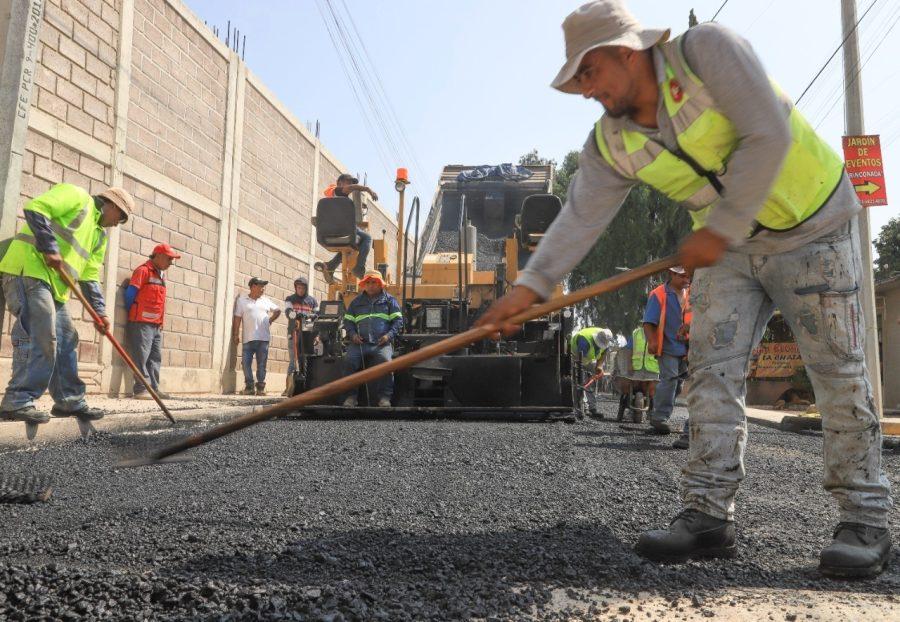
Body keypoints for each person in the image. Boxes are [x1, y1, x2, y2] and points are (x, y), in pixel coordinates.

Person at [477, 1, 892, 577]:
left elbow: (766, 134)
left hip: (814, 226)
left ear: (626, 51)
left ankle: (866, 519)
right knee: (710, 375)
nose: (585, 90)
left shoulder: (707, 52)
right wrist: (530, 288)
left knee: (838, 372)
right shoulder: (610, 143)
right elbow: (578, 219)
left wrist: (719, 228)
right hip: (729, 249)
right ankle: (707, 515)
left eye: (589, 73)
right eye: (577, 81)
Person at [0, 183, 133, 426]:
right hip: (27, 270)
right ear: (111, 204)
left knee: (67, 339)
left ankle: (68, 400)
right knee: (42, 334)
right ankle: (17, 400)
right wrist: (50, 247)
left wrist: (100, 313)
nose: (117, 224)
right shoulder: (77, 196)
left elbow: (89, 277)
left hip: (53, 287)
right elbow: (35, 209)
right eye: (120, 217)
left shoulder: (98, 236)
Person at [124, 243, 181, 399]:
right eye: (169, 259)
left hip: (156, 325)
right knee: (141, 356)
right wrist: (135, 314)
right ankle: (141, 389)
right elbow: (130, 295)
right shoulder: (143, 271)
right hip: (141, 323)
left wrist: (160, 321)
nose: (171, 263)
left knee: (155, 357)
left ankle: (153, 389)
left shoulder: (161, 275)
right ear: (159, 256)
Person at [341, 270, 402, 408]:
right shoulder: (356, 302)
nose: (370, 285)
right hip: (359, 344)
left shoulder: (390, 301)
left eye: (374, 282)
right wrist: (353, 335)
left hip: (382, 343)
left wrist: (388, 336)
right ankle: (351, 397)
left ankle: (385, 398)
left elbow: (398, 322)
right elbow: (348, 321)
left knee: (386, 362)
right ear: (363, 285)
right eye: (367, 283)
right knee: (349, 361)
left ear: (380, 284)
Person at [642, 266, 690, 435]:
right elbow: (648, 322)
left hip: (686, 348)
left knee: (678, 385)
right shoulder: (659, 294)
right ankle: (659, 418)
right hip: (668, 346)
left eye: (688, 277)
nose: (686, 280)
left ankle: (658, 412)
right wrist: (652, 341)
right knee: (669, 379)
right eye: (682, 277)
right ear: (672, 274)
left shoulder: (690, 294)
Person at [314, 174, 378, 284]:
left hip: (329, 232)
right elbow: (350, 189)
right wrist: (368, 189)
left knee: (349, 247)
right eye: (349, 182)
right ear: (339, 183)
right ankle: (359, 267)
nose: (351, 185)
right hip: (341, 230)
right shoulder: (336, 191)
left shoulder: (334, 199)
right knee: (367, 238)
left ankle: (331, 265)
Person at [232, 277, 280, 396]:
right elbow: (237, 318)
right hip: (248, 338)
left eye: (263, 286)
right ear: (253, 286)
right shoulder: (242, 300)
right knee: (245, 363)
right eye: (260, 286)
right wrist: (235, 334)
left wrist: (270, 320)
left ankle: (260, 388)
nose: (263, 289)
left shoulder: (265, 300)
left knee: (261, 364)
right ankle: (249, 387)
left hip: (263, 339)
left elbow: (278, 310)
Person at [283, 276, 318, 395]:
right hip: (294, 332)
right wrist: (297, 314)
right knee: (294, 360)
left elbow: (316, 315)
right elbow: (288, 312)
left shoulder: (312, 301)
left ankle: (305, 386)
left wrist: (309, 317)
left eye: (303, 288)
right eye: (298, 287)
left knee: (306, 359)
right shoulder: (290, 299)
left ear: (306, 288)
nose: (301, 290)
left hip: (308, 334)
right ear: (295, 288)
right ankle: (289, 388)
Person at [570, 326, 615, 415]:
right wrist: (585, 376)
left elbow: (603, 354)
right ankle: (580, 405)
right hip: (575, 355)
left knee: (590, 382)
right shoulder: (584, 340)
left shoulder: (606, 339)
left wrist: (599, 366)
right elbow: (580, 361)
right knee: (579, 381)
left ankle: (592, 408)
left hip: (588, 359)